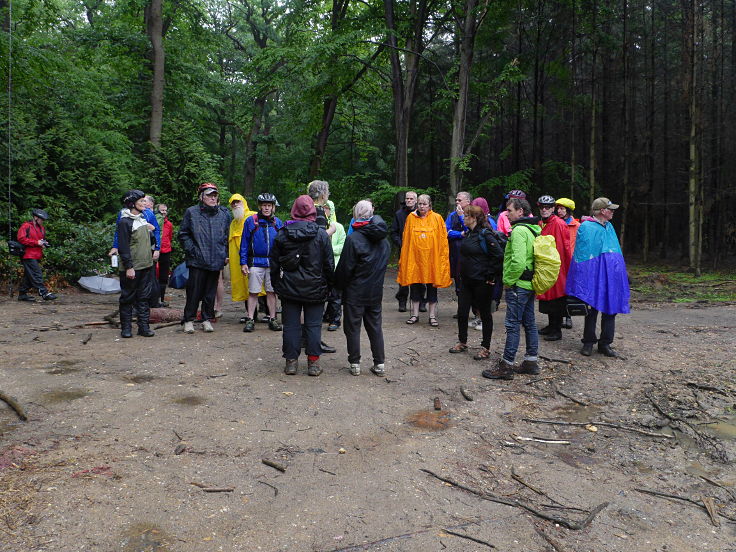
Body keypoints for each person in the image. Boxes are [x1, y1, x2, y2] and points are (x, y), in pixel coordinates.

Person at [271, 195, 334, 376]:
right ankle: (313, 364)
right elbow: (329, 265)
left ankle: (291, 363)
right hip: (315, 288)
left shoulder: (282, 233)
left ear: (294, 210)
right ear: (313, 212)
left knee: (291, 325)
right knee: (313, 325)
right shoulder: (321, 234)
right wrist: (330, 286)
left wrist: (277, 285)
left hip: (290, 288)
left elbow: (274, 263)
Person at [482, 197, 541, 380]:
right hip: (529, 284)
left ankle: (506, 366)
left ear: (520, 211)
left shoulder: (519, 231)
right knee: (529, 323)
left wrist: (508, 281)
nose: (507, 213)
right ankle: (531, 361)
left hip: (518, 286)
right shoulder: (532, 229)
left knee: (513, 325)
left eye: (510, 210)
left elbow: (518, 262)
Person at [566, 197, 630, 358]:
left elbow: (615, 251)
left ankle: (605, 343)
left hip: (610, 275)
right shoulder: (586, 227)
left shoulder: (609, 227)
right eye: (611, 209)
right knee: (591, 308)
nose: (613, 212)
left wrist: (620, 272)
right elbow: (582, 255)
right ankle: (588, 342)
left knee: (611, 308)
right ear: (602, 211)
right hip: (593, 275)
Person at [334, 200, 390, 376]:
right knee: (375, 327)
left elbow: (345, 268)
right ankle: (379, 363)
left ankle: (355, 363)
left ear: (356, 214)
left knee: (352, 328)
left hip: (355, 293)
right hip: (375, 292)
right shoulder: (384, 241)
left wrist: (337, 286)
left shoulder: (353, 239)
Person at [448, 205, 504, 360]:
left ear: (473, 218)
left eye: (465, 216)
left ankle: (485, 347)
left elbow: (498, 255)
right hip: (466, 281)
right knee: (462, 312)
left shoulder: (485, 235)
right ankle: (462, 341)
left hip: (482, 282)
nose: (463, 218)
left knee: (485, 314)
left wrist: (491, 276)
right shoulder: (468, 234)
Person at [178, 183, 231, 334]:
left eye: (215, 195)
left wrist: (225, 253)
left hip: (216, 259)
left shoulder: (223, 214)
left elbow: (226, 236)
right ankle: (188, 320)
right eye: (209, 195)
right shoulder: (192, 212)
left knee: (210, 292)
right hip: (197, 260)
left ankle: (206, 319)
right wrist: (192, 250)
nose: (213, 198)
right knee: (194, 292)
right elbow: (183, 234)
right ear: (201, 197)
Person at [397, 194, 452, 327]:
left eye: (424, 204)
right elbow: (407, 239)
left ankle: (432, 316)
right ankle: (415, 314)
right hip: (415, 260)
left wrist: (441, 258)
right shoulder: (411, 218)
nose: (422, 206)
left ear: (430, 205)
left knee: (432, 288)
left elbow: (442, 240)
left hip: (432, 260)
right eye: (420, 204)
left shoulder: (437, 218)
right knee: (415, 286)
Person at [240, 193, 283, 333]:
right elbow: (244, 243)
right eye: (264, 205)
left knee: (271, 292)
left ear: (273, 207)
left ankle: (272, 318)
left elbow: (283, 244)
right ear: (260, 206)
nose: (266, 208)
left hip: (272, 263)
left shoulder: (278, 223)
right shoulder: (251, 221)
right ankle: (250, 319)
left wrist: (282, 263)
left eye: (269, 205)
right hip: (255, 262)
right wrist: (243, 262)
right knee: (253, 292)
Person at [116, 190, 155, 338]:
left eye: (145, 201)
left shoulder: (143, 220)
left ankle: (143, 327)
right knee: (127, 298)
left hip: (146, 266)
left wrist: (150, 231)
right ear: (132, 203)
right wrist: (129, 267)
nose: (145, 203)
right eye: (141, 201)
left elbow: (147, 242)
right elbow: (124, 247)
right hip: (132, 268)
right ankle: (126, 328)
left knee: (144, 298)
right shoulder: (125, 222)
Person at [536, 195, 572, 342]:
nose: (544, 210)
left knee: (557, 298)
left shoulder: (559, 223)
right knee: (548, 297)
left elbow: (566, 246)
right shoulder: (541, 223)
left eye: (548, 207)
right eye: (542, 207)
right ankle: (551, 326)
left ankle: (557, 329)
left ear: (553, 209)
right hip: (545, 265)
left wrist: (568, 267)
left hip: (557, 266)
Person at [16, 208, 57, 301]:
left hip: (37, 255)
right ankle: (44, 292)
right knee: (36, 274)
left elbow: (39, 240)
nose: (42, 221)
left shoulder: (42, 228)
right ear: (35, 217)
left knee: (29, 276)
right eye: (41, 219)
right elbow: (21, 239)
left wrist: (43, 243)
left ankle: (22, 294)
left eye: (43, 220)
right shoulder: (26, 226)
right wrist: (36, 242)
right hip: (27, 255)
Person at [228, 193, 257, 321]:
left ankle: (269, 314)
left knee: (260, 285)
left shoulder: (253, 216)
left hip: (254, 256)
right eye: (233, 203)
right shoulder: (233, 223)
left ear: (243, 202)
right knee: (245, 285)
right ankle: (250, 314)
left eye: (237, 202)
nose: (235, 205)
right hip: (240, 258)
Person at [390, 191, 418, 312]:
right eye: (407, 198)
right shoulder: (399, 214)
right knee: (404, 276)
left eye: (411, 199)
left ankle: (420, 301)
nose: (409, 200)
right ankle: (402, 301)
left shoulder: (421, 214)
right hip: (404, 250)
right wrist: (402, 244)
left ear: (416, 200)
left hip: (419, 250)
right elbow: (393, 232)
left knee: (419, 277)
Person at [555, 197, 580, 329]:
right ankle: (556, 319)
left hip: (571, 263)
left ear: (568, 210)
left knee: (569, 291)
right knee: (558, 291)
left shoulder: (577, 226)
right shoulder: (555, 224)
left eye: (562, 208)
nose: (559, 211)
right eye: (558, 208)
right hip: (557, 263)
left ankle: (568, 316)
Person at [322, 202, 345, 331]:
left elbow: (343, 245)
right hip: (320, 266)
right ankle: (324, 315)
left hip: (335, 265)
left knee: (335, 295)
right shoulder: (317, 226)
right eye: (323, 207)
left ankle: (335, 320)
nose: (325, 210)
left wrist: (329, 249)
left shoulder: (339, 227)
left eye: (327, 208)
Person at [446, 191, 472, 297]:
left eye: (459, 200)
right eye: (456, 200)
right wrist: (460, 234)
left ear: (468, 202)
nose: (457, 202)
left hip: (469, 254)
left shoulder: (473, 214)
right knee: (458, 278)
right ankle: (461, 309)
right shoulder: (452, 215)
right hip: (455, 253)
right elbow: (446, 232)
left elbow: (469, 230)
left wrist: (462, 217)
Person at [154, 203, 173, 306]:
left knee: (163, 276)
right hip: (155, 252)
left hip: (166, 251)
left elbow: (170, 237)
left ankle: (161, 299)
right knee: (153, 275)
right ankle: (153, 299)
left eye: (165, 210)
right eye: (162, 210)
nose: (164, 212)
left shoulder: (169, 224)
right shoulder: (154, 222)